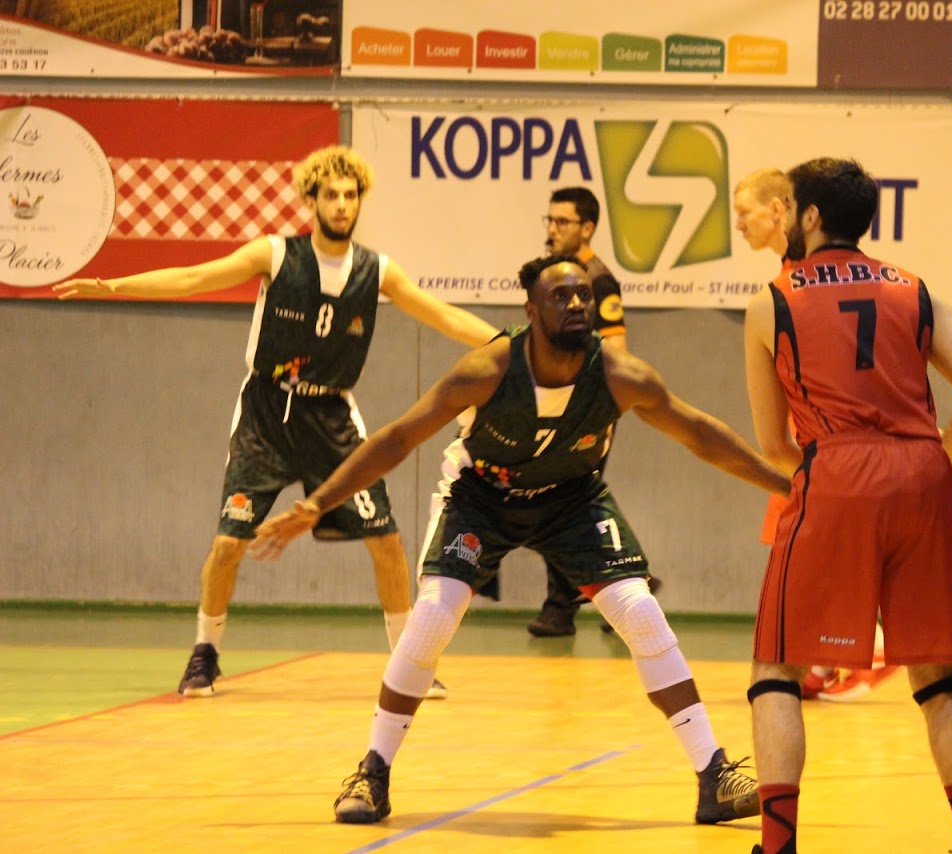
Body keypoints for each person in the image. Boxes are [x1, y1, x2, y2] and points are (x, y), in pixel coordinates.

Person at [251, 254, 790, 826]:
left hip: (571, 499)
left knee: (640, 611)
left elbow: (701, 434)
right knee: (432, 617)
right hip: (480, 498)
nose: (577, 303)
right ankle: (373, 772)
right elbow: (398, 438)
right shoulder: (485, 370)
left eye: (583, 294)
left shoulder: (621, 375)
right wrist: (318, 503)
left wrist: (788, 486)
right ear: (531, 311)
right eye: (561, 296)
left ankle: (714, 775)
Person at [53, 145, 497, 700]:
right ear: (311, 200)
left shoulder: (377, 270)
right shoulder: (276, 254)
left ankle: (409, 661)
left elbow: (444, 315)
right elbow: (194, 277)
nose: (342, 204)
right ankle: (205, 653)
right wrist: (115, 286)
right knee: (229, 542)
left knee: (386, 539)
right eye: (331, 195)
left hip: (331, 415)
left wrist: (514, 342)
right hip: (267, 413)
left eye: (350, 195)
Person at [741, 157, 952, 854]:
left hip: (836, 469)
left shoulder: (773, 301)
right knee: (936, 677)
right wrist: (941, 453)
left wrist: (831, 478)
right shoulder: (914, 290)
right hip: (922, 475)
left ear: (811, 216)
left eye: (792, 207)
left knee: (777, 667)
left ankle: (777, 847)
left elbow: (772, 444)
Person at [733, 167, 901, 703]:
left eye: (744, 212)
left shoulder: (805, 277)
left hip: (827, 437)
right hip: (812, 431)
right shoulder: (791, 273)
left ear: (783, 210)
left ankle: (866, 646)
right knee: (806, 540)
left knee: (813, 540)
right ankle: (825, 660)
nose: (739, 224)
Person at [525, 185, 662, 637]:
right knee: (563, 500)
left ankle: (562, 607)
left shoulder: (598, 281)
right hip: (557, 407)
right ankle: (631, 579)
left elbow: (616, 348)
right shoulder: (554, 274)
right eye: (549, 220)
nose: (552, 229)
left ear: (587, 228)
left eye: (562, 221)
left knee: (563, 499)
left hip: (586, 411)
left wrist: (597, 410)